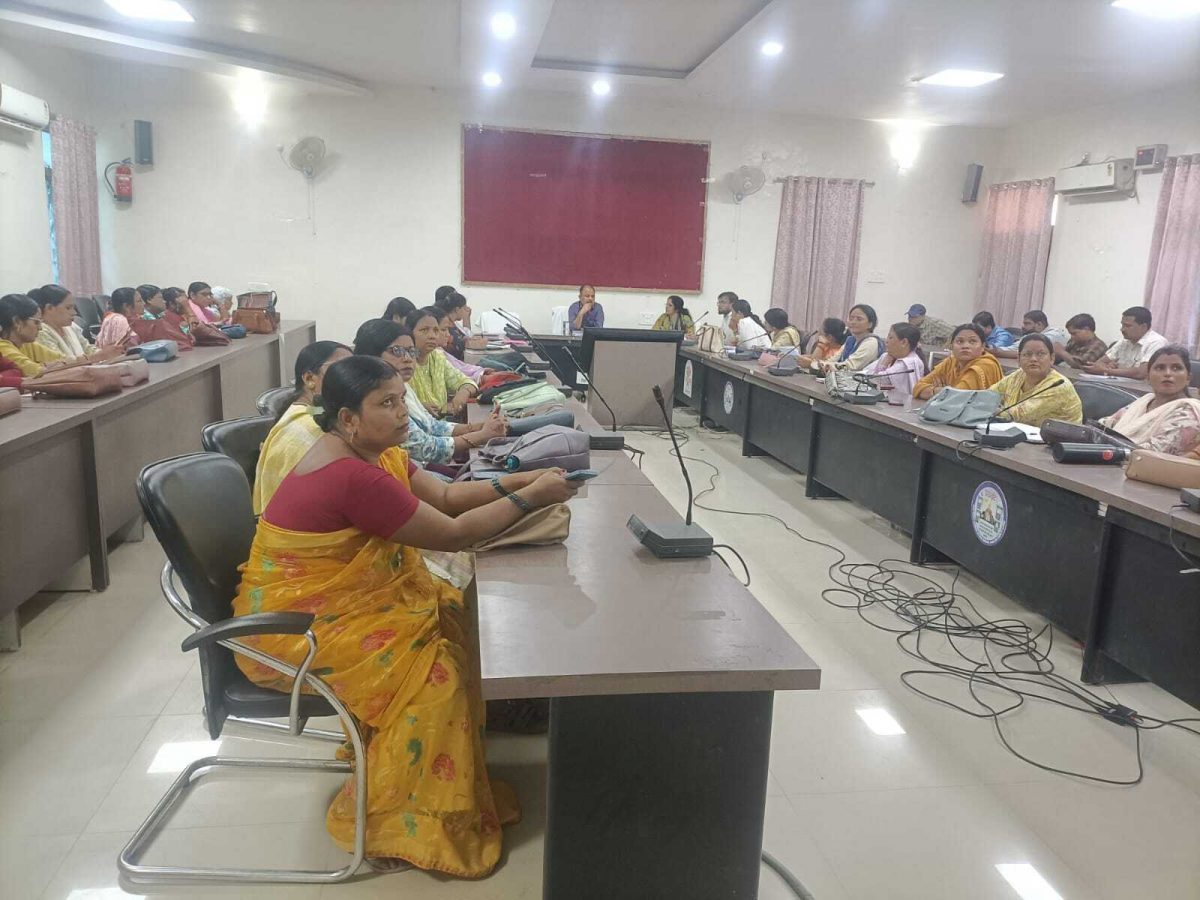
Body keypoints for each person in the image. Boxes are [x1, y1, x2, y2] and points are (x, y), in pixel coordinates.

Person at [234, 355, 580, 876]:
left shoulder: (376, 455)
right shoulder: (352, 476)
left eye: (401, 398)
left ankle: (437, 772)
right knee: (437, 678)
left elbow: (447, 495)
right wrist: (530, 497)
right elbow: (454, 533)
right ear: (348, 418)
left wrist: (521, 476)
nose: (403, 412)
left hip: (337, 606)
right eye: (387, 403)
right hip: (294, 630)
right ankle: (410, 820)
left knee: (452, 620)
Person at [354, 319, 506, 465]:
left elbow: (432, 426)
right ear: (371, 355)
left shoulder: (403, 385)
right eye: (397, 351)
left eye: (411, 351)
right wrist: (482, 435)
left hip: (417, 468)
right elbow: (424, 447)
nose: (407, 359)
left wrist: (480, 427)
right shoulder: (373, 397)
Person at [253, 341, 353, 515]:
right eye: (341, 370)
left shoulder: (317, 411)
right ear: (309, 379)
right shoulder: (308, 428)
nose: (352, 378)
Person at [1100, 345, 1200, 458]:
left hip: (1147, 466)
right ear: (1148, 377)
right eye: (1160, 368)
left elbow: (1156, 452)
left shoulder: (1189, 412)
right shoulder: (1145, 401)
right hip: (1115, 458)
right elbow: (1105, 425)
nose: (1168, 373)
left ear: (1188, 378)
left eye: (1176, 368)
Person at [989, 334, 1083, 425]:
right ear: (1018, 359)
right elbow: (989, 395)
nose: (1033, 359)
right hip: (1018, 431)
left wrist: (987, 409)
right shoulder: (1019, 375)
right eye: (1027, 354)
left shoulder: (1058, 385)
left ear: (1052, 358)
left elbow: (1016, 415)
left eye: (1041, 354)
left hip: (1059, 435)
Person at [405, 306, 479, 416]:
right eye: (424, 330)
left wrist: (464, 392)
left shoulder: (437, 358)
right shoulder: (403, 363)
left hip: (441, 423)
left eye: (436, 330)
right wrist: (417, 407)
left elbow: (467, 382)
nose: (432, 336)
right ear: (409, 333)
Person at [913, 323, 1004, 400]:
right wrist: (937, 391)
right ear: (952, 345)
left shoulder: (985, 365)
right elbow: (917, 388)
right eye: (960, 341)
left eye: (972, 341)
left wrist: (936, 391)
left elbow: (955, 397)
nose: (965, 346)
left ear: (983, 346)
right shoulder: (951, 361)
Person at [30, 284, 114, 362]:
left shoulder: (71, 327)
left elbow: (88, 349)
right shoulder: (40, 332)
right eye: (68, 308)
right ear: (50, 308)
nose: (74, 313)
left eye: (73, 308)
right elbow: (60, 363)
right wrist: (98, 356)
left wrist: (108, 353)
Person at [1084, 306, 1167, 380]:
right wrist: (1109, 368)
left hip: (1141, 389)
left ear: (1143, 327)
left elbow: (1141, 373)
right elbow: (1099, 363)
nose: (1122, 329)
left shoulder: (1156, 342)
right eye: (1122, 325)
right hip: (1119, 385)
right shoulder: (1124, 341)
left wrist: (1107, 370)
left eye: (1127, 326)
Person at [0, 293, 66, 376]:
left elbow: (64, 360)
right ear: (17, 322)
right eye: (36, 322)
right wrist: (47, 366)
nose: (40, 328)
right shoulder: (2, 348)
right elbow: (35, 372)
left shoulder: (27, 344)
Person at [862, 323, 926, 404]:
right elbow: (867, 374)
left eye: (890, 337)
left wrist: (883, 365)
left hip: (902, 407)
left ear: (904, 342)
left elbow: (879, 379)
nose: (886, 341)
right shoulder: (888, 356)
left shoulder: (910, 363)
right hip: (885, 402)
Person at [823, 304, 883, 372]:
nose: (853, 322)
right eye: (851, 319)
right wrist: (820, 364)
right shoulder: (851, 340)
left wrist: (826, 366)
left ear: (870, 324)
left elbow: (851, 366)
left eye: (859, 319)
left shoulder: (871, 343)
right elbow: (834, 359)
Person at [992, 310, 1068, 360]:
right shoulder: (1031, 335)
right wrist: (995, 350)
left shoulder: (1052, 335)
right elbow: (1013, 348)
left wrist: (997, 352)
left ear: (1039, 324)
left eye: (1027, 323)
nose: (1023, 326)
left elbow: (1028, 353)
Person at [435, 291, 471, 359]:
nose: (467, 310)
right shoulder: (446, 324)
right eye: (464, 307)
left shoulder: (454, 323)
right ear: (457, 309)